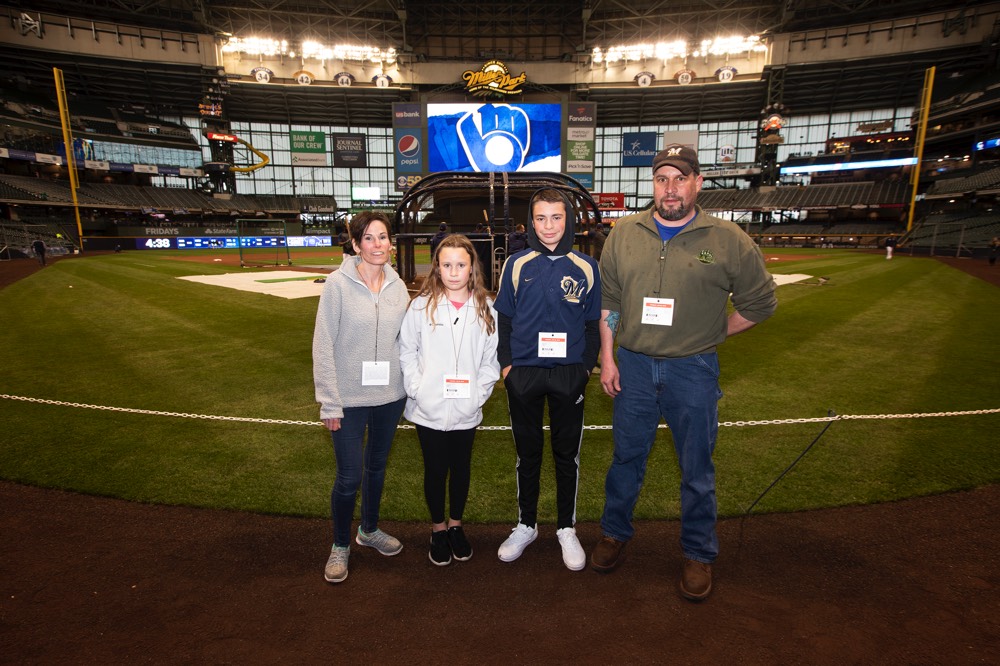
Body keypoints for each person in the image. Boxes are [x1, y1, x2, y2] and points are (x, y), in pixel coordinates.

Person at [591, 145, 777, 602]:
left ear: (697, 183)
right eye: (662, 179)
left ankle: (698, 553)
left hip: (692, 368)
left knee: (696, 468)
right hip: (631, 364)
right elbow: (609, 302)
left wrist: (712, 334)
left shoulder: (728, 238)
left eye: (680, 178)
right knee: (625, 460)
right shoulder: (624, 232)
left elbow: (760, 304)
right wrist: (609, 358)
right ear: (653, 184)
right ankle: (614, 533)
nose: (670, 188)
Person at [493, 188, 601, 571]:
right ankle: (525, 524)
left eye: (556, 217)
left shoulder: (586, 266)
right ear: (531, 221)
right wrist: (508, 367)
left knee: (566, 454)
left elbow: (592, 326)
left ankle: (566, 528)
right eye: (541, 218)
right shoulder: (517, 264)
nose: (549, 226)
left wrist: (585, 369)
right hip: (523, 373)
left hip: (569, 375)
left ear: (568, 221)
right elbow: (503, 319)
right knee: (528, 454)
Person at [313, 210, 409, 584]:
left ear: (391, 243)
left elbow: (406, 342)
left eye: (382, 237)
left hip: (389, 396)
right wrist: (329, 401)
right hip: (348, 398)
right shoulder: (337, 285)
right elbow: (323, 345)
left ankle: (368, 530)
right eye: (368, 238)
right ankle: (340, 545)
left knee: (376, 469)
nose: (377, 245)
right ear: (355, 244)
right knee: (349, 476)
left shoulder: (399, 286)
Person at [399, 234, 501, 566]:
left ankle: (456, 526)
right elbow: (407, 353)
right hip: (428, 408)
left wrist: (477, 395)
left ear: (472, 268)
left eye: (461, 265)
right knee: (434, 469)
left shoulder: (487, 308)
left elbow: (490, 361)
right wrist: (418, 389)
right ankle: (438, 528)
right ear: (437, 268)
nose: (454, 272)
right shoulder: (420, 306)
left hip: (465, 409)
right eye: (447, 265)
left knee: (460, 469)